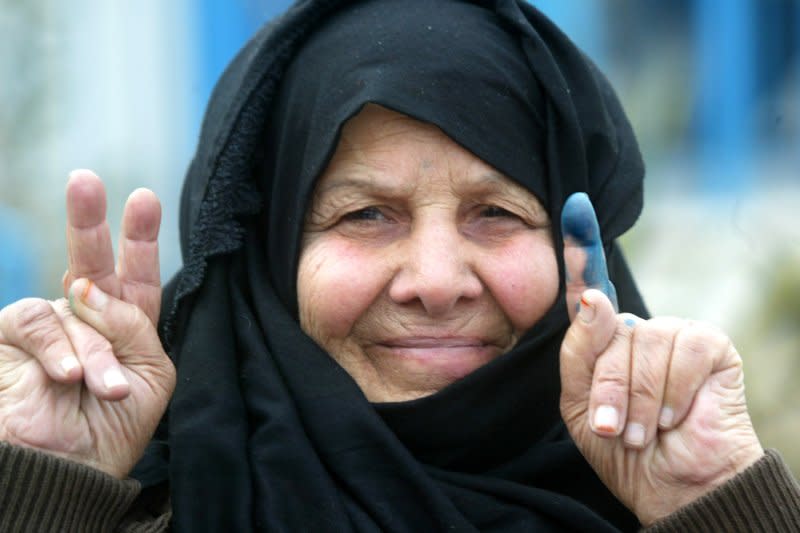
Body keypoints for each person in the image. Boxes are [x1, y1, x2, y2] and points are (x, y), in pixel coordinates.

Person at [1, 0, 798, 531]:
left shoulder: (674, 506)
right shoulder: (153, 510)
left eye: (496, 213)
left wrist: (713, 505)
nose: (438, 279)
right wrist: (46, 494)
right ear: (271, 251)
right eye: (366, 215)